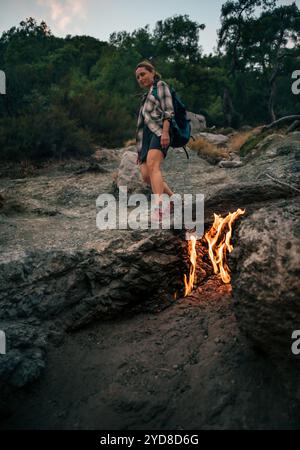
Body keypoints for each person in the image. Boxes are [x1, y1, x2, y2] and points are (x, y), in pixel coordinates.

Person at [135, 60, 175, 220]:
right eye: (138, 77)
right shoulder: (146, 96)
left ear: (152, 72)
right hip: (146, 136)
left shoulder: (161, 86)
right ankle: (173, 200)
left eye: (143, 74)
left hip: (159, 131)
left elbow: (168, 111)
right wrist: (140, 150)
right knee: (145, 175)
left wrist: (165, 132)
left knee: (153, 166)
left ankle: (160, 208)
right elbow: (142, 124)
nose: (140, 79)